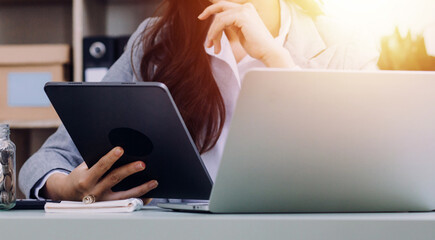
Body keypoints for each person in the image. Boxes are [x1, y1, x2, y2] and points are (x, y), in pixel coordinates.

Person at [19, 0, 379, 202]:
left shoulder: (345, 47)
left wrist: (275, 59)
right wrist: (66, 188)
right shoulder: (154, 42)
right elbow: (50, 158)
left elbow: (371, 172)